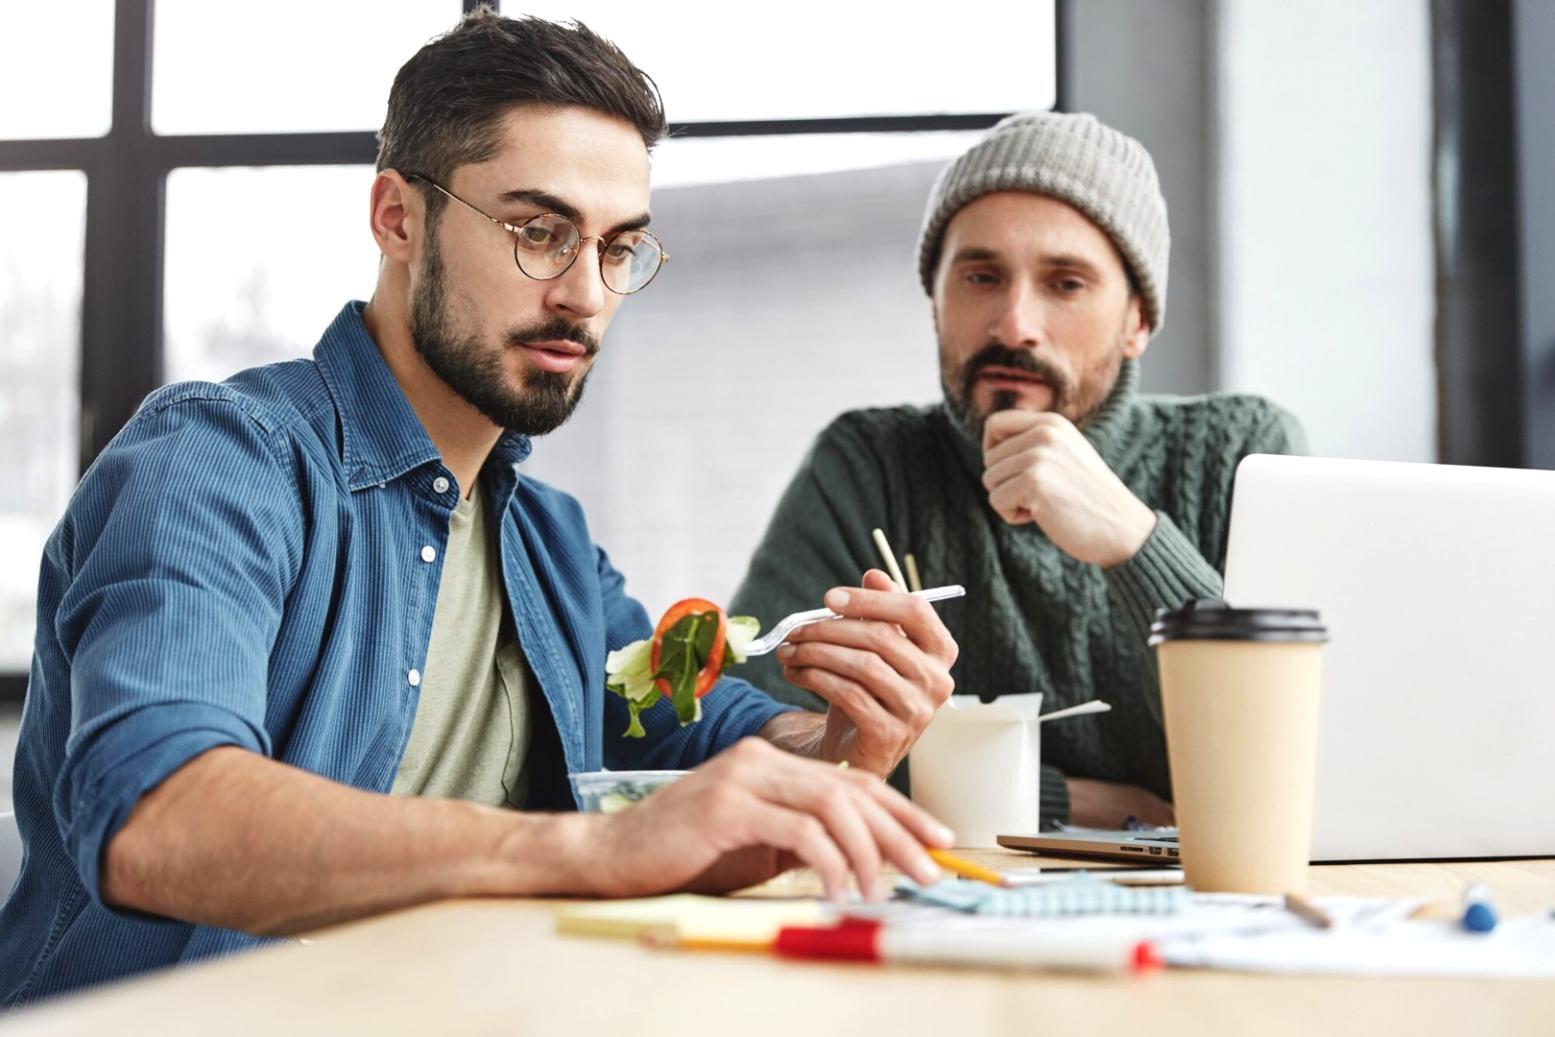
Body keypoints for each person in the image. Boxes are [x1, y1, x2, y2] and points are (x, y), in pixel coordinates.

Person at [0, 11, 960, 1006]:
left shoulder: (549, 543)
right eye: (539, 233)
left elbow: (702, 738)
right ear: (397, 218)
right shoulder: (215, 460)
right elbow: (162, 816)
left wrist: (847, 739)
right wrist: (595, 847)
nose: (586, 294)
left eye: (618, 246)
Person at [730, 112, 1305, 831]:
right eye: (980, 276)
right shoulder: (870, 464)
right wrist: (1041, 793)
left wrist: (1133, 541)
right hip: (943, 899)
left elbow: (1297, 749)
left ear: (1137, 321)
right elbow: (748, 730)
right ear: (936, 301)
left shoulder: (1243, 451)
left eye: (1064, 283)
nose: (1012, 326)